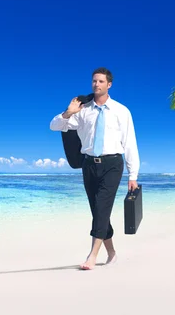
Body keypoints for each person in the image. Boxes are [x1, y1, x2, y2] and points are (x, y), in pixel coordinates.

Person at [50, 67, 140, 270]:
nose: (96, 84)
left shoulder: (121, 111)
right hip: (89, 164)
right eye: (94, 81)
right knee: (99, 211)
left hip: (112, 164)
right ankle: (112, 253)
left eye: (100, 81)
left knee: (101, 207)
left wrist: (132, 175)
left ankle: (92, 256)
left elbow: (130, 143)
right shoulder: (83, 111)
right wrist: (68, 113)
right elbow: (54, 126)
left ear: (109, 85)